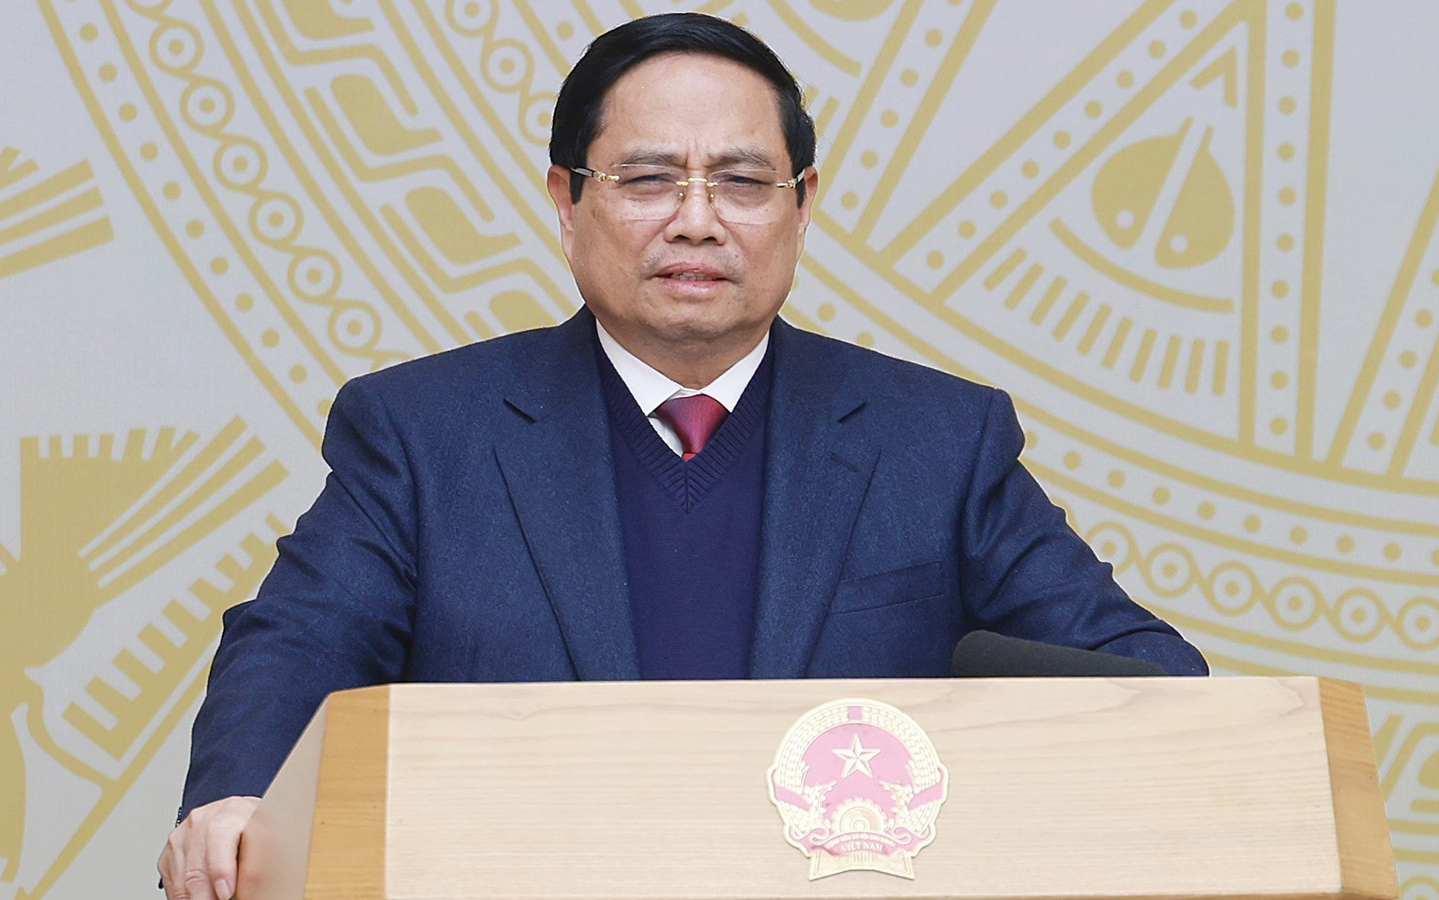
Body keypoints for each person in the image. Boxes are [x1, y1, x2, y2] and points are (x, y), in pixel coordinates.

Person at [157, 12, 1206, 899]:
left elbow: (1149, 690)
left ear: (802, 205)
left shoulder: (937, 440)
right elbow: (300, 640)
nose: (697, 222)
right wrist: (241, 801)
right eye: (649, 179)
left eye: (743, 182)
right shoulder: (424, 432)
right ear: (567, 200)